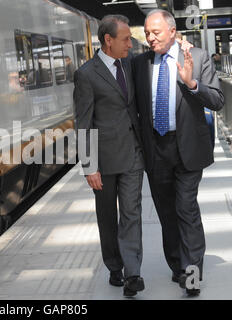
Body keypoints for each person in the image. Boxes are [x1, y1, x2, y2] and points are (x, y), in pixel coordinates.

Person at [132, 9, 224, 296]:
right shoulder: (139, 63)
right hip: (155, 149)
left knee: (186, 209)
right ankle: (178, 267)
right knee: (167, 213)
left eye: (155, 32)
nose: (150, 38)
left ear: (172, 31)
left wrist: (192, 83)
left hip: (187, 148)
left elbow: (218, 100)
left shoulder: (196, 58)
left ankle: (192, 273)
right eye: (147, 32)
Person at [73, 15, 145, 297]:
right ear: (108, 40)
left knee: (131, 212)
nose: (130, 43)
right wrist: (90, 166)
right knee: (107, 216)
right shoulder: (86, 74)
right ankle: (114, 265)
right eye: (125, 39)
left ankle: (133, 273)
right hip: (103, 161)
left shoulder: (129, 65)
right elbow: (83, 123)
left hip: (132, 155)